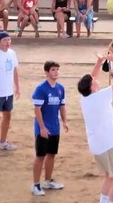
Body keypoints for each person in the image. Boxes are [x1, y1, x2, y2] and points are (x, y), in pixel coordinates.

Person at [78, 51, 113, 203]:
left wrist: (99, 63)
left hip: (96, 146)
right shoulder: (101, 96)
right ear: (91, 87)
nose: (96, 80)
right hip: (108, 144)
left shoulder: (84, 98)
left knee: (109, 177)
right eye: (94, 81)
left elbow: (91, 78)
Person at [31, 61, 68, 196]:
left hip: (55, 128)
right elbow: (37, 110)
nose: (56, 72)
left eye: (57, 69)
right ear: (46, 72)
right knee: (40, 156)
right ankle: (36, 185)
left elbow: (62, 107)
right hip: (43, 129)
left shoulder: (60, 88)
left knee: (51, 154)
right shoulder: (41, 89)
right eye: (53, 70)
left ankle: (47, 181)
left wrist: (64, 122)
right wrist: (42, 127)